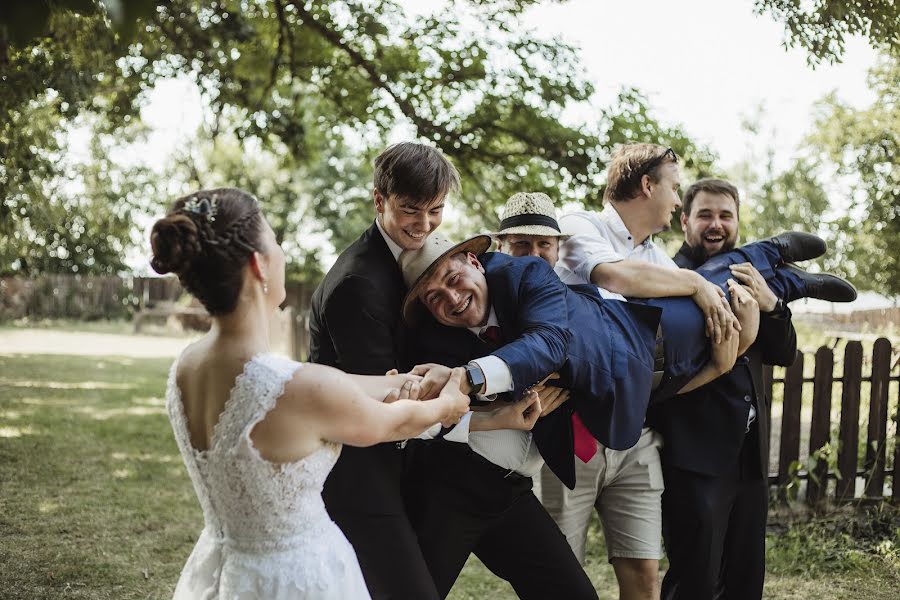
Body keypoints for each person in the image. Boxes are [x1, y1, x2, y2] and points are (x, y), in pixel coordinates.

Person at [151, 188, 470, 599]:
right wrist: (448, 403)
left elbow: (328, 387)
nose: (282, 252)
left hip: (222, 569)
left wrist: (407, 379)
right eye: (276, 243)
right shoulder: (296, 388)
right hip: (296, 576)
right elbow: (389, 423)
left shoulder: (186, 367)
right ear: (259, 265)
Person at [308, 141, 467, 599]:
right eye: (410, 210)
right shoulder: (359, 282)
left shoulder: (416, 262)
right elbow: (386, 397)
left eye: (435, 210)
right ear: (380, 201)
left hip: (398, 462)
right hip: (357, 471)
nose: (424, 225)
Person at [650, 179, 799, 599]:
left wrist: (772, 306)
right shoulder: (665, 276)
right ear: (685, 221)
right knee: (695, 580)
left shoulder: (750, 279)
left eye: (725, 215)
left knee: (745, 578)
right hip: (694, 458)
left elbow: (785, 354)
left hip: (749, 457)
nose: (716, 224)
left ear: (736, 222)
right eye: (705, 215)